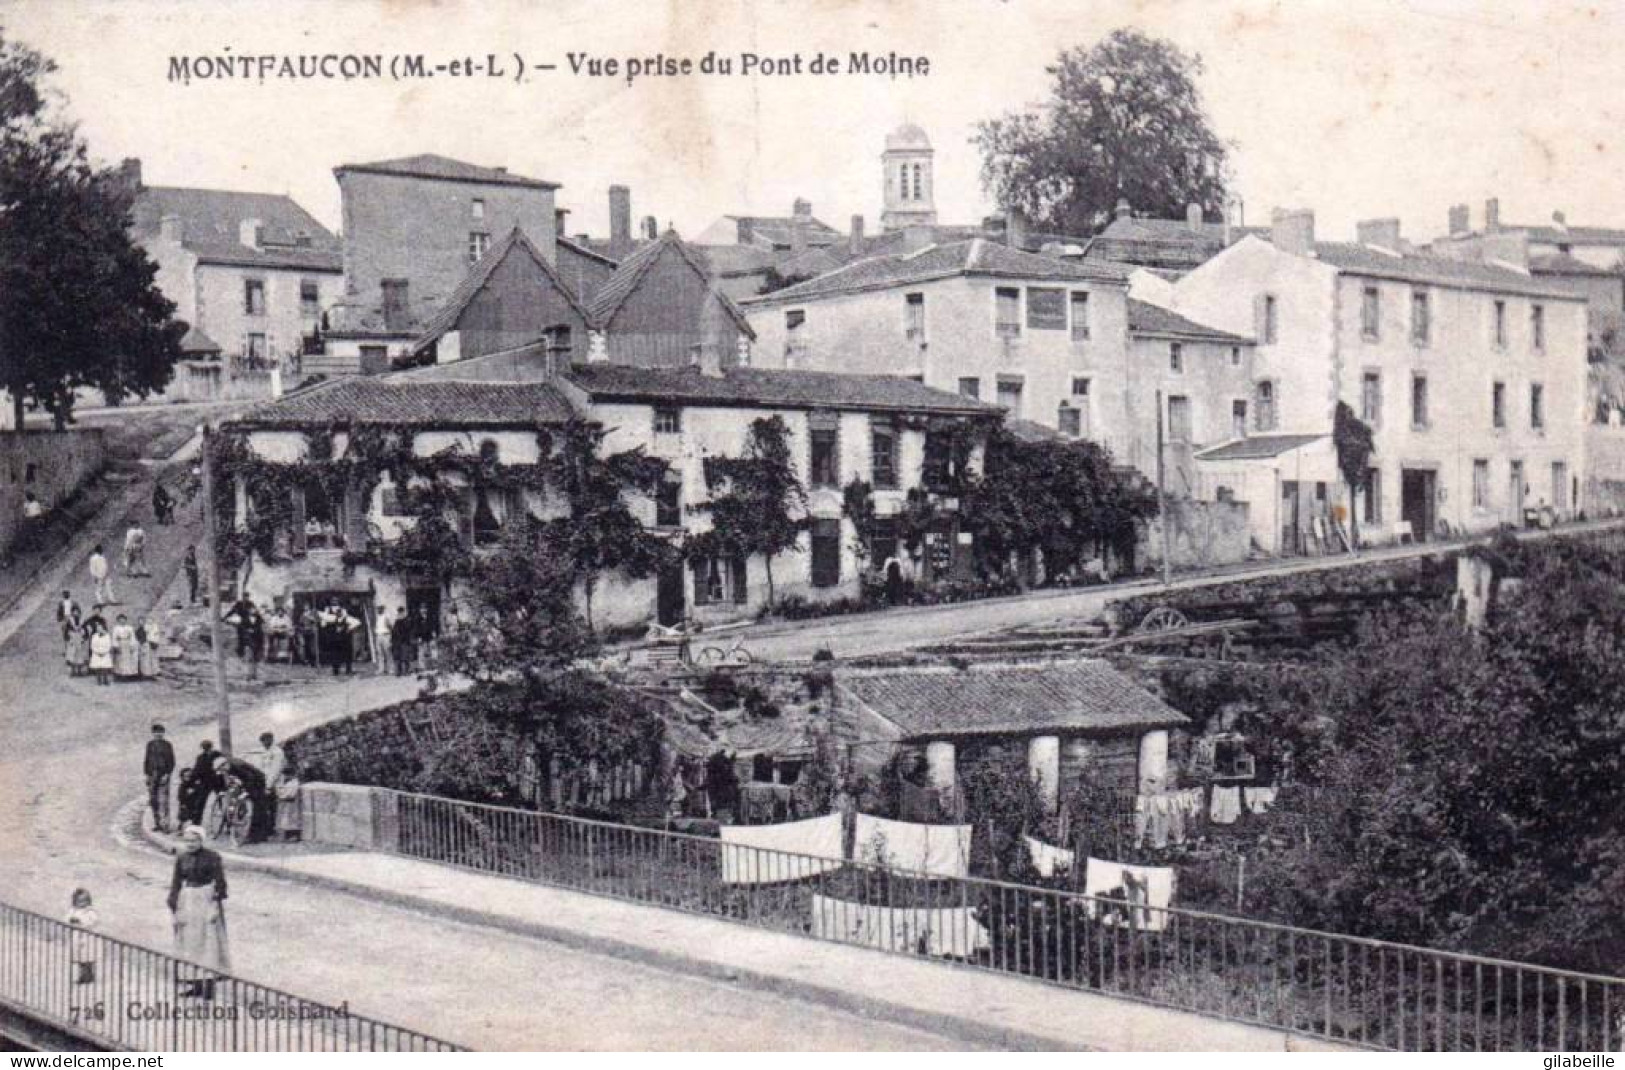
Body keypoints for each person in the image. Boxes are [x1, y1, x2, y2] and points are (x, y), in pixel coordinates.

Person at [168, 826, 229, 981]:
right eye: (187, 841)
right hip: (188, 899)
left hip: (206, 898)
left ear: (201, 841)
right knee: (189, 938)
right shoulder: (182, 858)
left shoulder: (213, 857)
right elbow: (176, 881)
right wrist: (173, 901)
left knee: (207, 938)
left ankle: (208, 979)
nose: (190, 844)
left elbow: (220, 881)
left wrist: (216, 900)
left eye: (194, 841)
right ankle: (192, 978)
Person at [213, 753, 273, 844]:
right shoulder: (230, 766)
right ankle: (249, 830)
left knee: (257, 808)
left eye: (222, 769)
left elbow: (250, 778)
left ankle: (257, 836)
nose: (222, 771)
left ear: (224, 764)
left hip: (257, 782)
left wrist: (246, 792)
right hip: (249, 781)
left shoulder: (237, 766)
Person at [144, 723, 176, 833]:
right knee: (153, 800)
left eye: (160, 732)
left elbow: (172, 761)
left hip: (163, 775)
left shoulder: (167, 745)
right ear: (153, 733)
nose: (158, 734)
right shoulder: (150, 744)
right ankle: (157, 823)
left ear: (163, 733)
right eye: (156, 732)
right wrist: (147, 775)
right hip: (152, 775)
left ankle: (165, 825)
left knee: (163, 800)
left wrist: (167, 774)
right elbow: (147, 760)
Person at [253, 732, 286, 827]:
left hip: (274, 782)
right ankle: (267, 826)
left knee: (273, 805)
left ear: (271, 740)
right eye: (263, 741)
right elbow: (260, 766)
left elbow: (276, 770)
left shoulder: (277, 752)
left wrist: (269, 785)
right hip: (264, 780)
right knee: (265, 805)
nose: (265, 743)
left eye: (267, 740)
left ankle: (273, 826)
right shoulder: (263, 751)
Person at [66, 889, 98, 985]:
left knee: (87, 957)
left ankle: (89, 974)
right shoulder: (73, 910)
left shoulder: (90, 911)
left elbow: (93, 921)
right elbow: (67, 918)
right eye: (79, 901)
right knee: (80, 958)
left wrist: (82, 921)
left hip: (87, 937)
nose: (82, 904)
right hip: (77, 936)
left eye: (84, 901)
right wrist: (71, 920)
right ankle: (83, 974)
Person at [274, 764, 302, 841]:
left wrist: (282, 795)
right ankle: (284, 835)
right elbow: (278, 791)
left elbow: (291, 794)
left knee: (292, 819)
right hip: (284, 803)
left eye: (287, 775)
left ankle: (293, 835)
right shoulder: (282, 782)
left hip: (291, 804)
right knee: (284, 819)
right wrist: (280, 794)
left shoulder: (295, 783)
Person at [111, 614, 139, 681]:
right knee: (120, 660)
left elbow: (132, 637)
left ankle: (128, 675)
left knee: (128, 660)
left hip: (128, 644)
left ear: (125, 620)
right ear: (118, 620)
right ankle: (120, 675)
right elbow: (114, 638)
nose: (122, 621)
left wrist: (132, 645)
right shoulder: (116, 628)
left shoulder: (129, 628)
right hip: (120, 644)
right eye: (120, 619)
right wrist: (116, 646)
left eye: (123, 619)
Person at [392, 606, 413, 677]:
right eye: (399, 612)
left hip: (405, 641)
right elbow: (394, 632)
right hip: (397, 642)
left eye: (401, 612)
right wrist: (392, 641)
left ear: (404, 612)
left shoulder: (407, 620)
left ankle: (406, 671)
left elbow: (408, 630)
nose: (400, 613)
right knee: (398, 657)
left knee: (405, 657)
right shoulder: (396, 621)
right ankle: (398, 672)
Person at [374, 605, 394, 676]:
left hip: (386, 635)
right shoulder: (377, 617)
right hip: (378, 635)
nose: (378, 610)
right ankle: (381, 669)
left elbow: (390, 627)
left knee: (388, 653)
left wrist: (390, 636)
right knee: (380, 653)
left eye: (380, 609)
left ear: (383, 609)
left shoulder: (386, 616)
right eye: (378, 609)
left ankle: (391, 669)